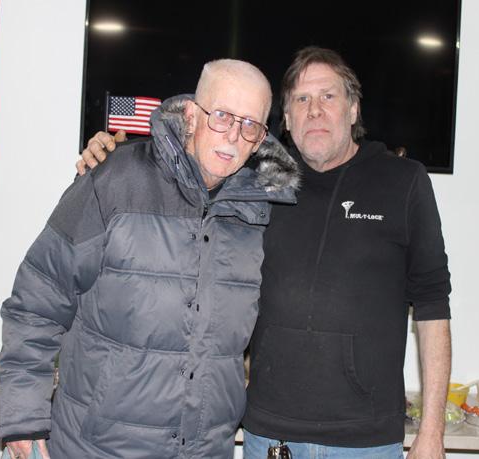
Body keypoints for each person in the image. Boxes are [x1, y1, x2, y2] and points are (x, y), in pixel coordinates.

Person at [80, 47, 452, 459]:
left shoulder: (404, 182)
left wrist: (432, 431)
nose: (314, 110)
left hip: (368, 442)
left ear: (353, 110)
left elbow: (433, 306)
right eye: (301, 99)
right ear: (286, 120)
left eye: (328, 96)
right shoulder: (255, 183)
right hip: (270, 437)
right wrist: (114, 151)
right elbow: (188, 162)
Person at [0, 59, 299, 459]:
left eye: (250, 125)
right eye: (222, 116)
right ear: (191, 115)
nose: (233, 135)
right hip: (96, 448)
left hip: (203, 451)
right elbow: (37, 300)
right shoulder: (115, 179)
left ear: (261, 138)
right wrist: (22, 415)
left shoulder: (263, 212)